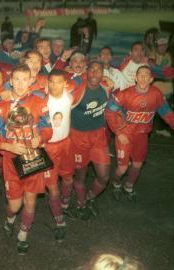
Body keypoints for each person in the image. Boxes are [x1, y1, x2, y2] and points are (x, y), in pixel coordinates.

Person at [0, 64, 52, 255]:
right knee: (14, 205)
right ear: (11, 81)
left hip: (33, 158)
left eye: (25, 79)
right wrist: (8, 146)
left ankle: (23, 234)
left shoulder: (39, 102)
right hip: (11, 162)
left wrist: (41, 138)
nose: (21, 84)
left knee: (30, 202)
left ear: (31, 80)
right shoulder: (1, 106)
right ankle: (10, 218)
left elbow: (48, 129)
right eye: (17, 79)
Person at [106, 66, 174, 201]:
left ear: (151, 79)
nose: (143, 77)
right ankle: (116, 183)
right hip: (125, 135)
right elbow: (109, 111)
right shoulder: (124, 94)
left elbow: (167, 113)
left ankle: (128, 186)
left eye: (146, 75)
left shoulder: (156, 95)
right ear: (135, 78)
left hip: (142, 135)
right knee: (122, 168)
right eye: (140, 74)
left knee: (137, 164)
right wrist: (119, 132)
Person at [64, 61, 111, 220]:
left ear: (103, 73)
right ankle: (80, 204)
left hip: (98, 137)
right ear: (86, 72)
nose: (95, 73)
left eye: (99, 70)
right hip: (78, 138)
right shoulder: (77, 89)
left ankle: (90, 197)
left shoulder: (107, 88)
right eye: (92, 70)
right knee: (80, 177)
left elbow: (118, 105)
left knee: (104, 176)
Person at [43, 69, 76, 241]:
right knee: (52, 187)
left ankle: (64, 205)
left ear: (65, 84)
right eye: (51, 82)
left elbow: (84, 81)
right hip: (49, 148)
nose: (55, 86)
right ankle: (59, 220)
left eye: (58, 82)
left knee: (69, 178)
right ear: (47, 83)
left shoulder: (69, 96)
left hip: (66, 143)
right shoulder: (42, 99)